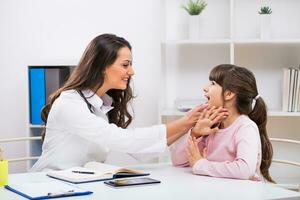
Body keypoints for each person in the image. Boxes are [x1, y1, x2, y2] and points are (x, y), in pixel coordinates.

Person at [31, 34, 227, 171]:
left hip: (81, 186)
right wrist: (186, 121)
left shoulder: (102, 106)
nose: (131, 72)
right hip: (50, 184)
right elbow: (121, 139)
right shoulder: (69, 104)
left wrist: (190, 128)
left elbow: (141, 151)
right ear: (102, 67)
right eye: (125, 65)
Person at [171, 64, 274, 182]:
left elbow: (245, 170)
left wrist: (201, 165)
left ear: (229, 94)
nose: (205, 88)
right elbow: (177, 161)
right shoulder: (212, 127)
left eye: (213, 83)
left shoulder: (245, 128)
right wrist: (195, 133)